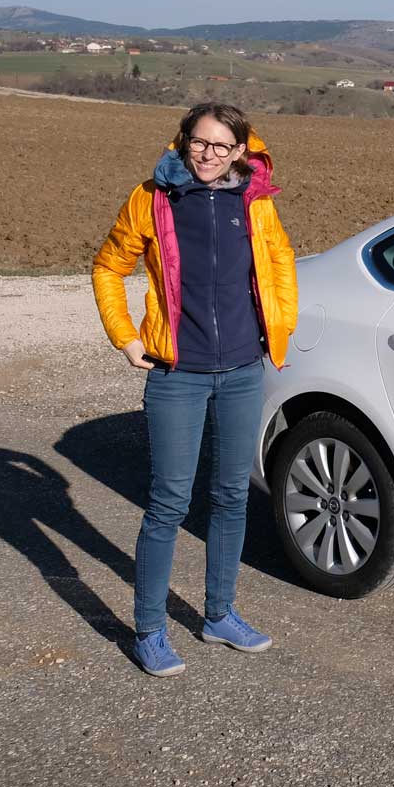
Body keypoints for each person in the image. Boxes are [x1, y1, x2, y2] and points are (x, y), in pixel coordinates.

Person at [92, 103, 297, 677]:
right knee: (169, 503)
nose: (206, 155)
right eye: (198, 143)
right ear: (183, 141)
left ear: (240, 152)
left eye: (220, 146)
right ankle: (150, 630)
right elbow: (109, 266)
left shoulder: (254, 203)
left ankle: (219, 614)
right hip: (176, 373)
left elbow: (278, 263)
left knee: (232, 496)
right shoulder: (153, 198)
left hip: (242, 371)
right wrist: (125, 337)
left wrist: (279, 326)